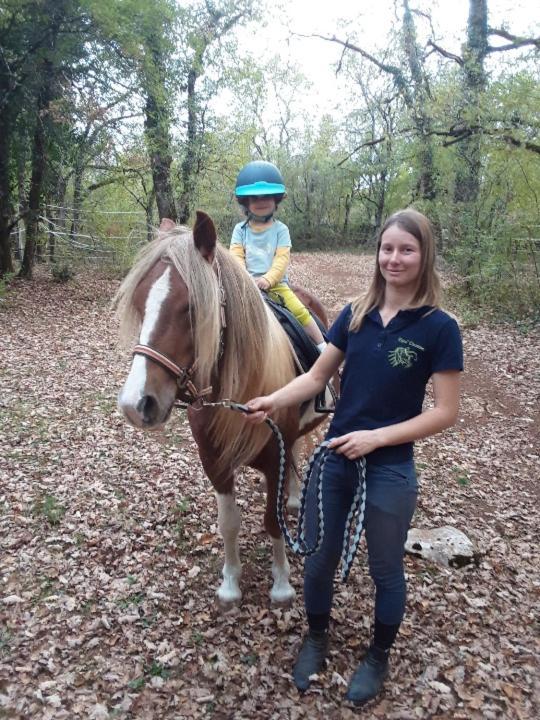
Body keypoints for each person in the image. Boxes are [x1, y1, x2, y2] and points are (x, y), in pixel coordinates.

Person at [245, 208, 463, 705]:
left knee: (386, 568)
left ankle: (377, 655)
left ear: (424, 255)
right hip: (337, 457)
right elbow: (318, 377)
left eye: (406, 249)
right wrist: (272, 400)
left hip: (390, 466)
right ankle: (317, 637)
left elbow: (446, 412)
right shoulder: (356, 313)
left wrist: (378, 438)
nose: (394, 258)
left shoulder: (439, 327)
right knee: (319, 560)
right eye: (387, 248)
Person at [230, 160, 327, 352]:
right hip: (246, 284)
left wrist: (268, 279)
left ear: (276, 200)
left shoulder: (280, 230)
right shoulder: (239, 230)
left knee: (299, 311)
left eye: (267, 197)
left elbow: (282, 258)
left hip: (276, 285)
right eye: (254, 198)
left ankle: (322, 347)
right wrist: (246, 277)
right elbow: (236, 255)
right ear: (246, 203)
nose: (261, 201)